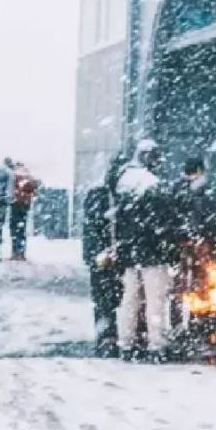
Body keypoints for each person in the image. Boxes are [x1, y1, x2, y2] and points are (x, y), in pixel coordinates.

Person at [114, 139, 179, 362]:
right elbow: (164, 222)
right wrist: (170, 249)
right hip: (152, 253)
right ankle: (156, 345)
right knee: (155, 300)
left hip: (129, 252)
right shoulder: (152, 183)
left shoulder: (123, 180)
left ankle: (126, 343)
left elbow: (118, 219)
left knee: (129, 299)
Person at [82, 153, 129, 357]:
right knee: (115, 296)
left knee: (106, 298)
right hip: (111, 255)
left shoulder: (99, 195)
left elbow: (90, 228)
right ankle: (110, 336)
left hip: (105, 255)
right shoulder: (115, 196)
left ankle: (107, 336)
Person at [8, 161, 40, 261]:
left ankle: (15, 252)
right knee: (21, 229)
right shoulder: (28, 176)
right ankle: (21, 253)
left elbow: (9, 190)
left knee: (14, 230)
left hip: (15, 204)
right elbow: (35, 189)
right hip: (25, 204)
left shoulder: (14, 176)